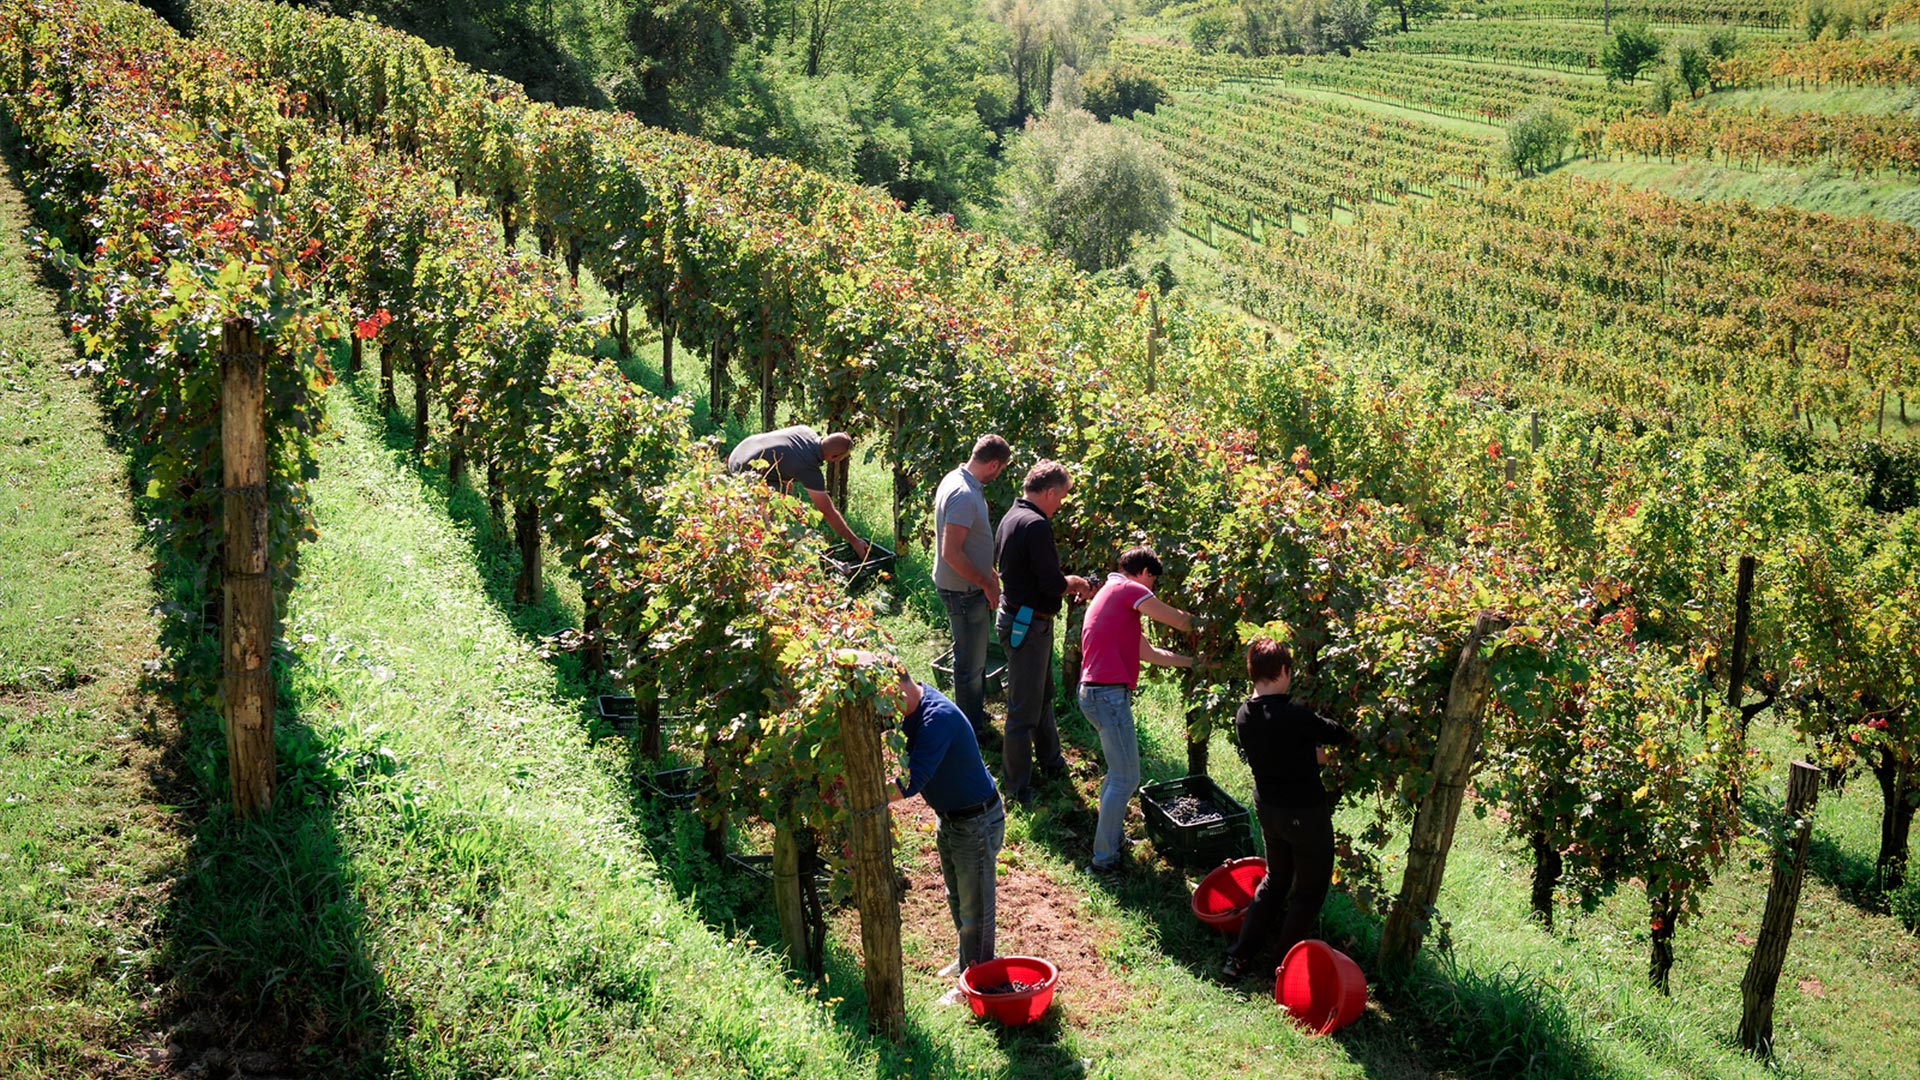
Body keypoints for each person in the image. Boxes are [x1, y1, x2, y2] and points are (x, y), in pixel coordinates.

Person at [1223, 638, 1355, 979]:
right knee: (1310, 891)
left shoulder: (1244, 715)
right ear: (1283, 671)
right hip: (1304, 813)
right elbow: (1339, 734)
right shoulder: (1294, 716)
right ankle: (1284, 966)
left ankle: (1239, 956)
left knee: (1275, 881)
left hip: (1268, 809)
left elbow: (1289, 751)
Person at [1077, 546, 1201, 875]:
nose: (1153, 589)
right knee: (1126, 777)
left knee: (1117, 775)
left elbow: (1148, 653)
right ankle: (1103, 862)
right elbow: (1178, 621)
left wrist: (1194, 663)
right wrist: (1208, 624)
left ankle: (1110, 840)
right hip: (1107, 696)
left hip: (1094, 694)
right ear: (1145, 573)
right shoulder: (1128, 589)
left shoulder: (1111, 596)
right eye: (1154, 582)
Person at [885, 664, 1003, 997]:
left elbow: (911, 782)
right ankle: (969, 959)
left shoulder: (935, 720)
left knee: (975, 905)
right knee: (957, 896)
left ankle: (976, 979)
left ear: (901, 688)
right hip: (952, 818)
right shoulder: (913, 707)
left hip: (975, 821)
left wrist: (866, 797)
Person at [992, 460, 1090, 806]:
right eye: (1061, 497)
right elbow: (1050, 582)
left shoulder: (1011, 516)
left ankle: (1051, 761)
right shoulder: (1035, 525)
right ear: (1048, 492)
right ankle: (1016, 788)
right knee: (1022, 710)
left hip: (1022, 620)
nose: (1061, 504)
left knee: (1041, 695)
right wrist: (1075, 583)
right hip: (1028, 625)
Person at [932, 435, 1012, 742]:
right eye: (1000, 469)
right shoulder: (964, 494)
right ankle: (970, 729)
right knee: (969, 661)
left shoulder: (956, 478)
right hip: (963, 591)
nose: (999, 475)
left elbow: (969, 544)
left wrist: (989, 574)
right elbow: (952, 552)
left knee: (971, 654)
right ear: (993, 464)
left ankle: (972, 713)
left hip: (966, 586)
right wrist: (985, 583)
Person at [726, 425, 868, 559]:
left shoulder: (806, 431)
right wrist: (854, 541)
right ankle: (764, 551)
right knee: (774, 516)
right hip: (743, 469)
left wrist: (786, 481)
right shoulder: (809, 469)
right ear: (834, 457)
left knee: (786, 498)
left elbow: (786, 452)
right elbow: (828, 512)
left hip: (741, 450)